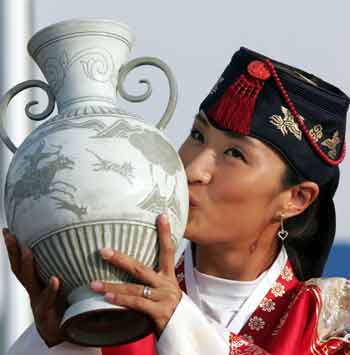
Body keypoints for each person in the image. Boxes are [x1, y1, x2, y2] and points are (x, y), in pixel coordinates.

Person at [4, 47, 350, 355]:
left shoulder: (329, 324)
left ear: (296, 199)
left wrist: (180, 325)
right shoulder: (111, 308)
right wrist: (64, 342)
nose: (193, 168)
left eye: (234, 154)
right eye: (197, 135)